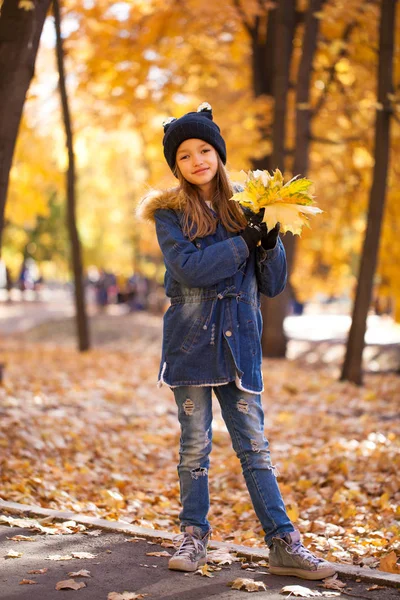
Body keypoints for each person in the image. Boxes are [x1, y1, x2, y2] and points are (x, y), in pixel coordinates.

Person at [137, 103, 335, 580]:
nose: (197, 160)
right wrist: (244, 243)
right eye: (184, 155)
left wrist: (267, 243)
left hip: (240, 345)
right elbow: (190, 267)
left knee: (254, 446)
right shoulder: (169, 214)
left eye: (204, 149)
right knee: (194, 447)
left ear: (219, 153)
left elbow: (273, 285)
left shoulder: (252, 205)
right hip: (190, 344)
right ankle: (193, 536)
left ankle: (284, 543)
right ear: (176, 166)